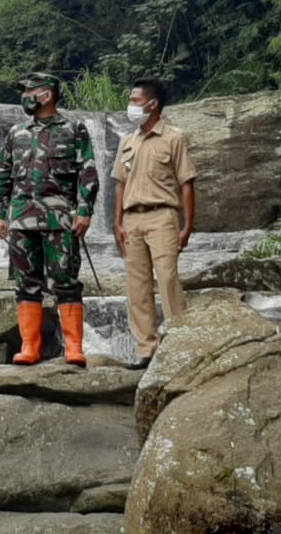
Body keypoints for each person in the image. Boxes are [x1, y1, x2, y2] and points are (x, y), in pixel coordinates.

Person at [0, 71, 99, 367]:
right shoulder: (16, 133)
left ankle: (74, 347)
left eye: (29, 91)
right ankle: (30, 346)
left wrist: (85, 210)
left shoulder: (73, 128)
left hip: (60, 219)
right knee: (26, 283)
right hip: (22, 220)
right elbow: (1, 174)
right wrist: (0, 215)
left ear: (47, 94)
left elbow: (87, 171)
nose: (25, 97)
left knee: (66, 281)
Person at [112, 77, 197, 370]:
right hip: (132, 218)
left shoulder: (174, 138)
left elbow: (187, 183)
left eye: (135, 101)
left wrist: (187, 225)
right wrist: (117, 222)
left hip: (163, 216)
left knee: (168, 279)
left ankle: (179, 344)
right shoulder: (128, 141)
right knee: (137, 288)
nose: (131, 106)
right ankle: (147, 350)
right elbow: (120, 185)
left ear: (153, 104)